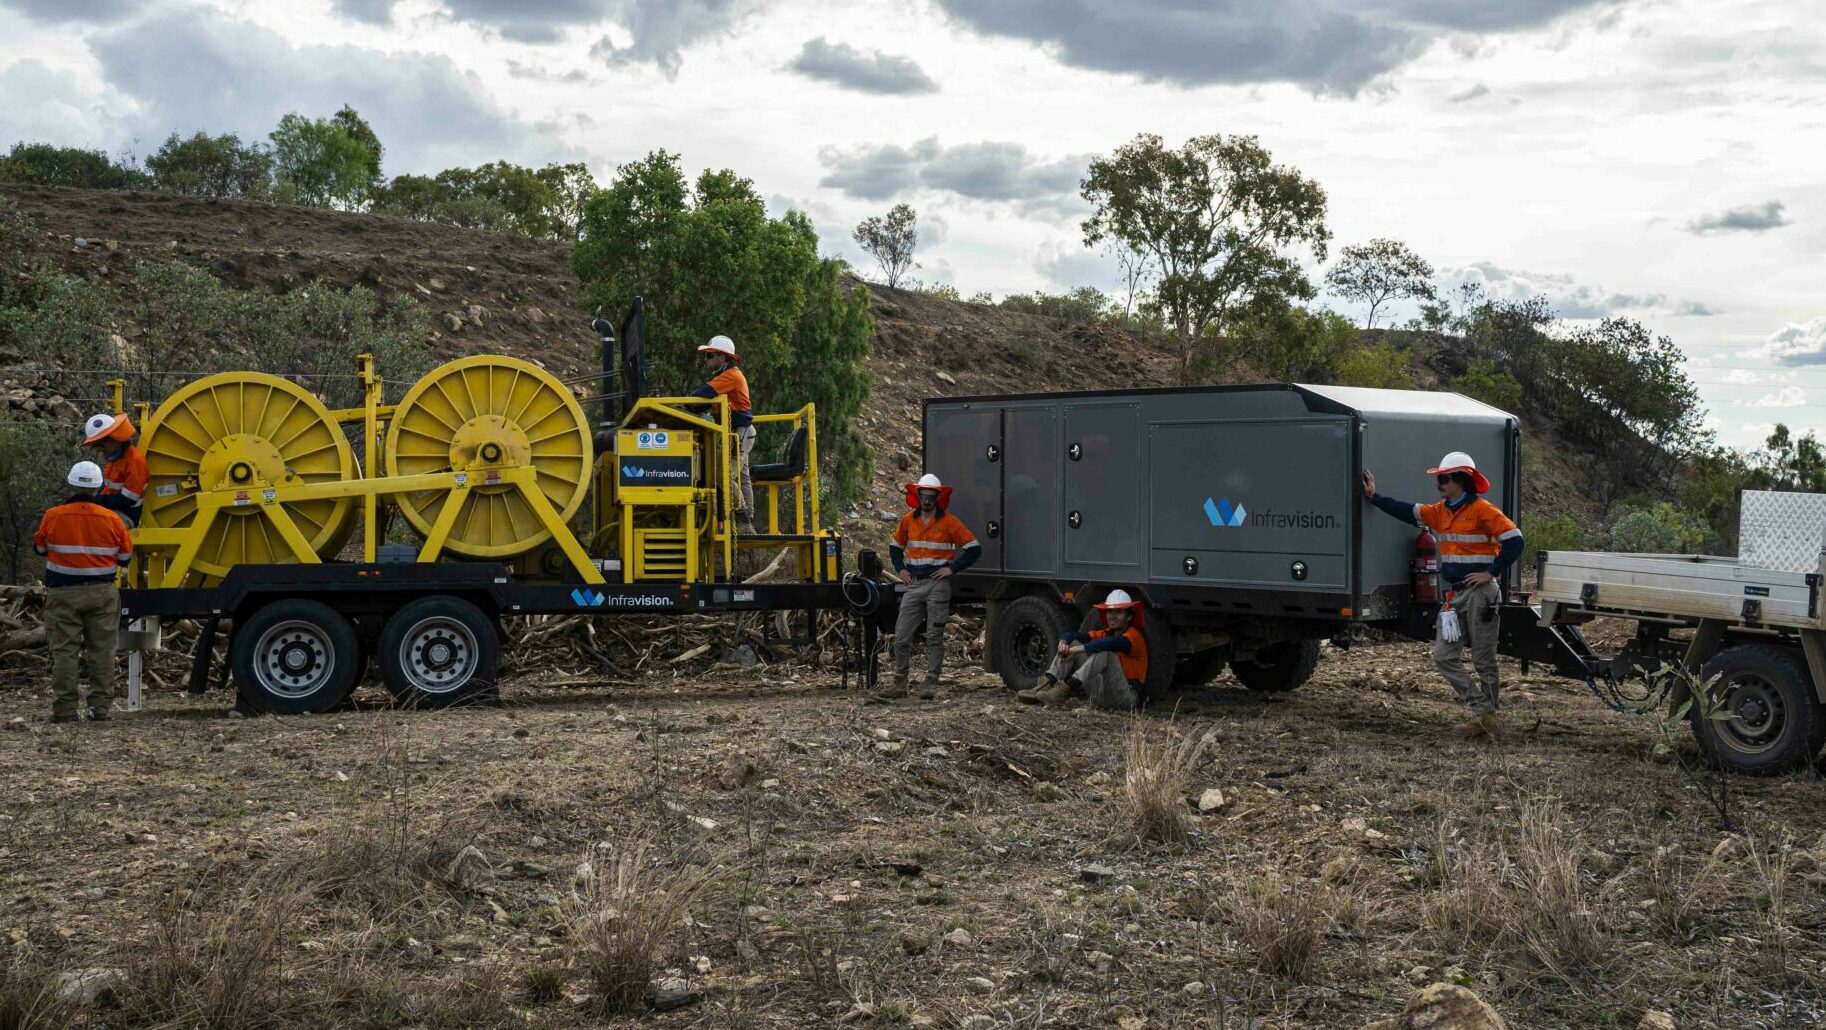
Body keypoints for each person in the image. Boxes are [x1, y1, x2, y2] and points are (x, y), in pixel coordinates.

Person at [1363, 451, 1523, 738]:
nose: (1439, 483)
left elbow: (1515, 541)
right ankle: (1484, 712)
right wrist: (1374, 497)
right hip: (1455, 596)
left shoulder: (1483, 511)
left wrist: (1490, 572)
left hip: (1481, 593)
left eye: (1444, 479)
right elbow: (1406, 511)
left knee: (1483, 658)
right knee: (1443, 656)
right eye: (1439, 478)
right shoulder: (1440, 511)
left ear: (1461, 481)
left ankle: (1487, 717)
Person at [35, 460, 133, 724]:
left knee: (65, 651)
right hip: (102, 594)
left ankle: (65, 710)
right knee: (102, 651)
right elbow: (125, 557)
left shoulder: (53, 516)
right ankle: (99, 708)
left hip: (64, 594)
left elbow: (41, 549)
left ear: (71, 483)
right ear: (99, 486)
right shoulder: (112, 519)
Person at [879, 473, 981, 701]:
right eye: (923, 495)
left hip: (938, 584)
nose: (926, 500)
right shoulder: (907, 520)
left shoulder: (950, 522)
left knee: (934, 636)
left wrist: (952, 568)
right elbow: (895, 546)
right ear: (918, 496)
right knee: (901, 635)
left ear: (937, 497)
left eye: (930, 496)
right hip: (914, 584)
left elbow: (974, 548)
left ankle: (930, 683)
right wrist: (900, 569)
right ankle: (899, 684)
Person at [1018, 589, 1147, 710]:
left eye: (1118, 612)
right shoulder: (1105, 633)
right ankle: (1044, 686)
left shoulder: (1133, 637)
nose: (1112, 616)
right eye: (1110, 612)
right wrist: (1063, 643)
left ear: (1129, 617)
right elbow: (1072, 635)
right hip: (1100, 695)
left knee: (1106, 654)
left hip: (1126, 698)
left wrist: (1074, 651)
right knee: (1073, 643)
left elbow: (1108, 644)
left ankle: (1063, 690)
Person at [688, 335, 755, 530]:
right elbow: (703, 404)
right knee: (742, 477)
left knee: (724, 475)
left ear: (723, 358)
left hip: (739, 433)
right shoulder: (724, 377)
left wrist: (686, 402)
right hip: (739, 433)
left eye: (710, 355)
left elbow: (703, 394)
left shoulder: (730, 376)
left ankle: (743, 520)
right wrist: (690, 406)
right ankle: (747, 519)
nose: (706, 359)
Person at [82, 411, 148, 527]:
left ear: (110, 440)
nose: (101, 452)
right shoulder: (115, 459)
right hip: (112, 510)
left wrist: (97, 500)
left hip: (127, 515)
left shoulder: (134, 461)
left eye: (100, 447)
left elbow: (128, 499)